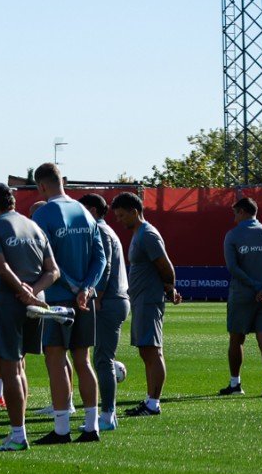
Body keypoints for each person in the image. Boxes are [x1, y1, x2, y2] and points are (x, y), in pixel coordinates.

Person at [0, 183, 60, 452]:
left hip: (7, 302)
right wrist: (33, 291)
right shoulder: (34, 226)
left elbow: (0, 265)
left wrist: (21, 291)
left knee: (11, 367)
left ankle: (17, 434)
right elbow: (53, 271)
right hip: (36, 304)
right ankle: (18, 431)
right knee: (21, 366)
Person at [29, 163, 104, 444]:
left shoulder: (45, 213)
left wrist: (73, 285)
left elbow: (47, 261)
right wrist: (87, 287)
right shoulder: (86, 212)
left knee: (57, 359)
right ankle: (91, 427)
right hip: (85, 300)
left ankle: (62, 429)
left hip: (59, 299)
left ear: (42, 186)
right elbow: (101, 258)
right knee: (83, 360)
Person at [113, 192, 179, 417]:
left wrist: (170, 288)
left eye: (122, 215)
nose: (119, 220)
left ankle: (153, 403)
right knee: (146, 351)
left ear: (134, 211)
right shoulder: (138, 233)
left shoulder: (148, 235)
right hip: (142, 299)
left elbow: (165, 265)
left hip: (150, 300)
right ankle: (150, 400)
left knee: (153, 351)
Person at [222, 196, 262, 399]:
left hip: (242, 295)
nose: (233, 219)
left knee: (236, 339)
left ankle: (235, 384)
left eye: (235, 214)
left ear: (242, 212)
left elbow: (233, 268)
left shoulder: (233, 235)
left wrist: (255, 286)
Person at [81, 193, 130, 431]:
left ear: (92, 210)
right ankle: (106, 413)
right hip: (114, 299)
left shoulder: (99, 230)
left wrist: (97, 296)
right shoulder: (106, 229)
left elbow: (105, 264)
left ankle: (108, 415)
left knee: (103, 359)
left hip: (108, 300)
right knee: (102, 357)